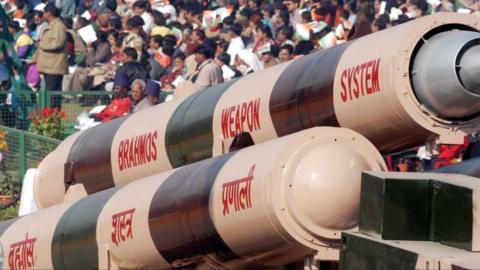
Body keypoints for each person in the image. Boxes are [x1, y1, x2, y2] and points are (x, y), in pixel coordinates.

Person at [35, 3, 67, 109]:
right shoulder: (52, 26)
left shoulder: (58, 26)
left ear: (49, 13)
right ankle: (53, 118)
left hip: (54, 66)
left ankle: (52, 118)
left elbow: (58, 43)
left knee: (52, 97)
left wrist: (42, 44)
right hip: (50, 66)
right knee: (52, 96)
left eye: (44, 12)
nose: (42, 14)